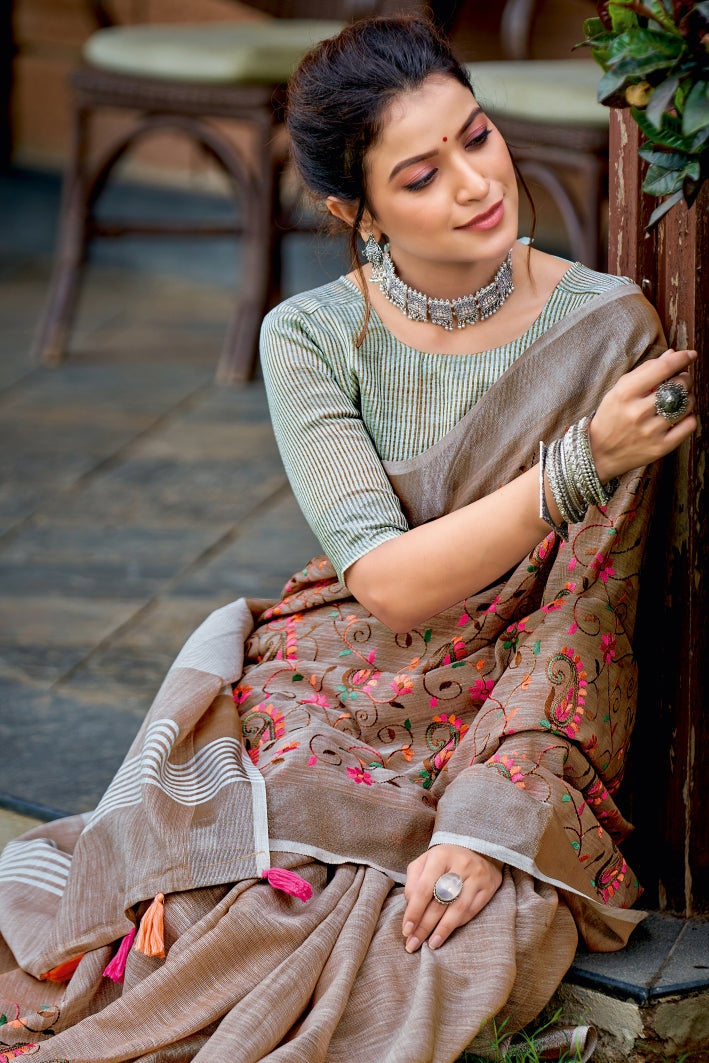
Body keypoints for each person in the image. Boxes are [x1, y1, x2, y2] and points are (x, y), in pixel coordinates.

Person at [0, 15, 698, 1063]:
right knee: (224, 891)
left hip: (508, 691)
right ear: (353, 208)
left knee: (444, 927)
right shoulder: (315, 335)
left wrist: (481, 822)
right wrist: (579, 462)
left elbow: (585, 609)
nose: (473, 182)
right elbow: (384, 585)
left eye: (476, 135)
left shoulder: (607, 331)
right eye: (419, 174)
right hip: (339, 670)